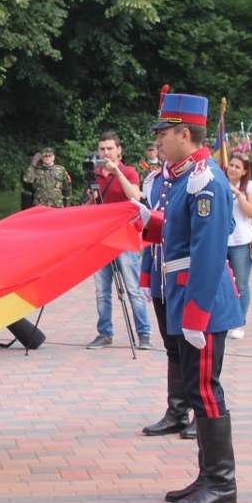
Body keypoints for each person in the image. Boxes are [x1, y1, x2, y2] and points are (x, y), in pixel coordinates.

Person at [137, 89, 243, 503]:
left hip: (203, 302)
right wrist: (151, 222)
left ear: (185, 133)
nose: (158, 140)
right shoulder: (185, 176)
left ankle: (222, 484)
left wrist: (196, 315)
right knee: (197, 391)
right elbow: (181, 230)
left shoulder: (204, 179)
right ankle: (207, 476)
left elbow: (209, 251)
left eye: (164, 133)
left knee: (205, 391)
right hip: (186, 297)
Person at [139, 147, 194, 439]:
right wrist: (146, 275)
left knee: (194, 349)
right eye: (158, 139)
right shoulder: (154, 180)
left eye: (164, 137)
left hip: (186, 278)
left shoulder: (197, 179)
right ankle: (177, 411)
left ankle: (202, 413)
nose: (160, 145)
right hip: (163, 278)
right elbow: (151, 237)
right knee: (173, 347)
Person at [84, 131, 152, 350]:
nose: (106, 153)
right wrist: (91, 199)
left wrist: (117, 172)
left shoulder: (129, 171)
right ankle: (104, 333)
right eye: (102, 149)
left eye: (110, 148)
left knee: (132, 288)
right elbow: (88, 209)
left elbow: (135, 196)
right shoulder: (94, 174)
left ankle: (144, 332)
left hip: (124, 238)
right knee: (102, 292)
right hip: (102, 239)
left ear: (119, 150)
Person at [225, 153, 252, 339]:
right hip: (222, 241)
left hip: (241, 241)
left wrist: (238, 194)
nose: (232, 169)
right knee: (222, 283)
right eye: (231, 165)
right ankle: (224, 320)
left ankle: (239, 323)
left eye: (237, 167)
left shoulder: (250, 186)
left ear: (245, 171)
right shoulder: (221, 183)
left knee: (241, 284)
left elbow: (250, 212)